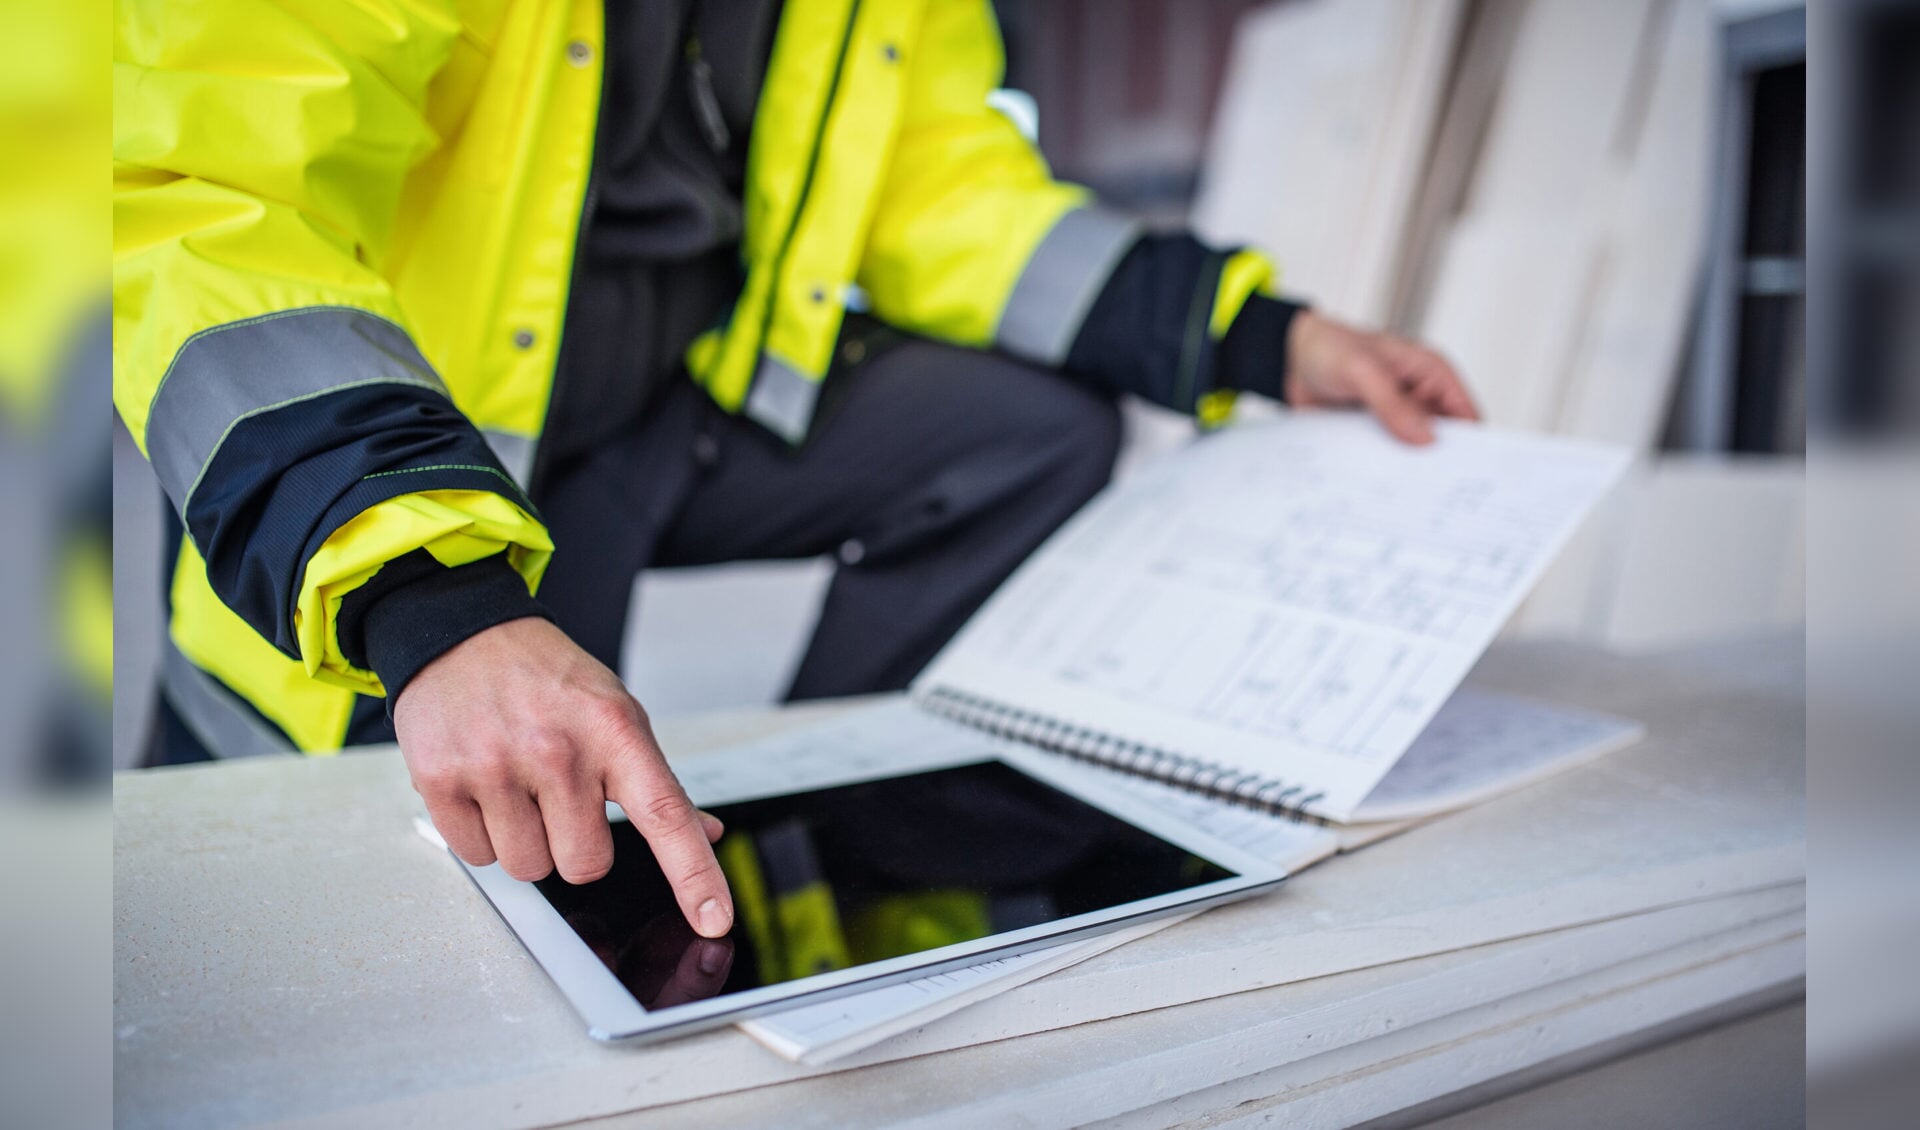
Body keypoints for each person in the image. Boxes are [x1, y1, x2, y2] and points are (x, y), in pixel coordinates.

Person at [113, 1, 1478, 940]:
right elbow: (181, 181)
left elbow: (936, 186)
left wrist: (1261, 333)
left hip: (676, 399)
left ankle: (860, 850)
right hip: (410, 443)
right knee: (358, 925)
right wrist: (426, 594)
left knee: (1028, 430)